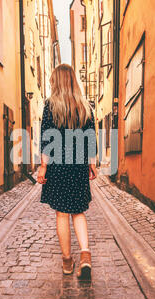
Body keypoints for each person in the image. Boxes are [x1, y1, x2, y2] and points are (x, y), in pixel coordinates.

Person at [37, 64, 97, 280]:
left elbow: (47, 139)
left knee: (62, 213)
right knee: (78, 212)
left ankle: (67, 261)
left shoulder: (50, 106)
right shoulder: (85, 106)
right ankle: (86, 255)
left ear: (57, 81)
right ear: (73, 81)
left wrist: (43, 167)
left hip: (58, 165)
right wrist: (91, 163)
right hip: (78, 164)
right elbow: (90, 137)